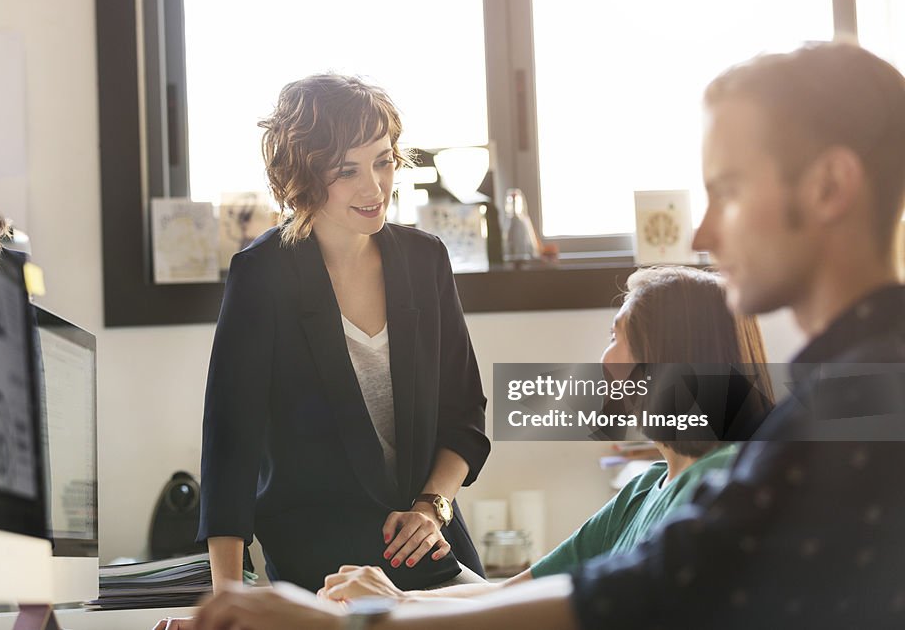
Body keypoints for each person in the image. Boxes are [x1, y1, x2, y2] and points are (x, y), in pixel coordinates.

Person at [190, 41, 905, 630]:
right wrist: (360, 604)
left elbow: (641, 589)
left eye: (730, 189)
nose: (701, 233)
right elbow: (588, 583)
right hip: (330, 554)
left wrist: (366, 612)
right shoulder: (794, 427)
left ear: (829, 187)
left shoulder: (847, 419)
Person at [318, 266, 772, 602]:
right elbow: (517, 595)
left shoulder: (721, 484)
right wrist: (412, 584)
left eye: (617, 338)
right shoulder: (642, 491)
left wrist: (396, 604)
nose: (605, 360)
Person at [197, 75, 491, 594]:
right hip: (318, 556)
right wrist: (228, 596)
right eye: (346, 171)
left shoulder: (425, 261)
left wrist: (433, 506)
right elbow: (230, 446)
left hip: (426, 538)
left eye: (383, 160)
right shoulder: (262, 274)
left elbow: (464, 414)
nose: (374, 187)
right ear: (304, 177)